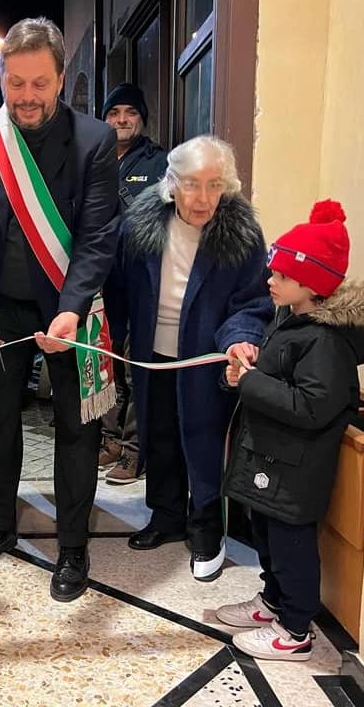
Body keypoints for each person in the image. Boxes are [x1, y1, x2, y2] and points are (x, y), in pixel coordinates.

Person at [0, 17, 120, 602]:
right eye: (15, 83)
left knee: (77, 426)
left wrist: (72, 309)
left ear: (61, 79)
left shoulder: (94, 140)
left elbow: (98, 236)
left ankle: (73, 546)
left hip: (68, 306)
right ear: (1, 80)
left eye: (40, 83)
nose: (27, 97)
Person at [110, 135, 273, 580]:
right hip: (153, 354)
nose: (203, 198)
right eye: (192, 184)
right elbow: (117, 287)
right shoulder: (139, 225)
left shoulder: (241, 235)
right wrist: (110, 340)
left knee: (203, 440)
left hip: (206, 357)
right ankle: (165, 514)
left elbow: (251, 302)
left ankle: (206, 527)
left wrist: (240, 340)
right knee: (159, 432)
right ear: (171, 183)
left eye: (214, 185)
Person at [217, 201, 363, 661]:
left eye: (282, 274)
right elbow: (283, 376)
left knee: (290, 546)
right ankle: (274, 601)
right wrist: (250, 367)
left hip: (295, 471)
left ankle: (296, 629)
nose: (270, 280)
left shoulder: (325, 340)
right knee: (266, 536)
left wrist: (251, 383)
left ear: (312, 285)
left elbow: (311, 406)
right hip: (273, 460)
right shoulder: (292, 319)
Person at [100, 83, 167, 481]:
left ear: (142, 118)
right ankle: (109, 438)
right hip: (103, 280)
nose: (121, 120)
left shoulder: (160, 163)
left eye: (130, 112)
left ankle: (133, 449)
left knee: (135, 363)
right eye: (114, 113)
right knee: (107, 362)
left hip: (142, 281)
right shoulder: (94, 158)